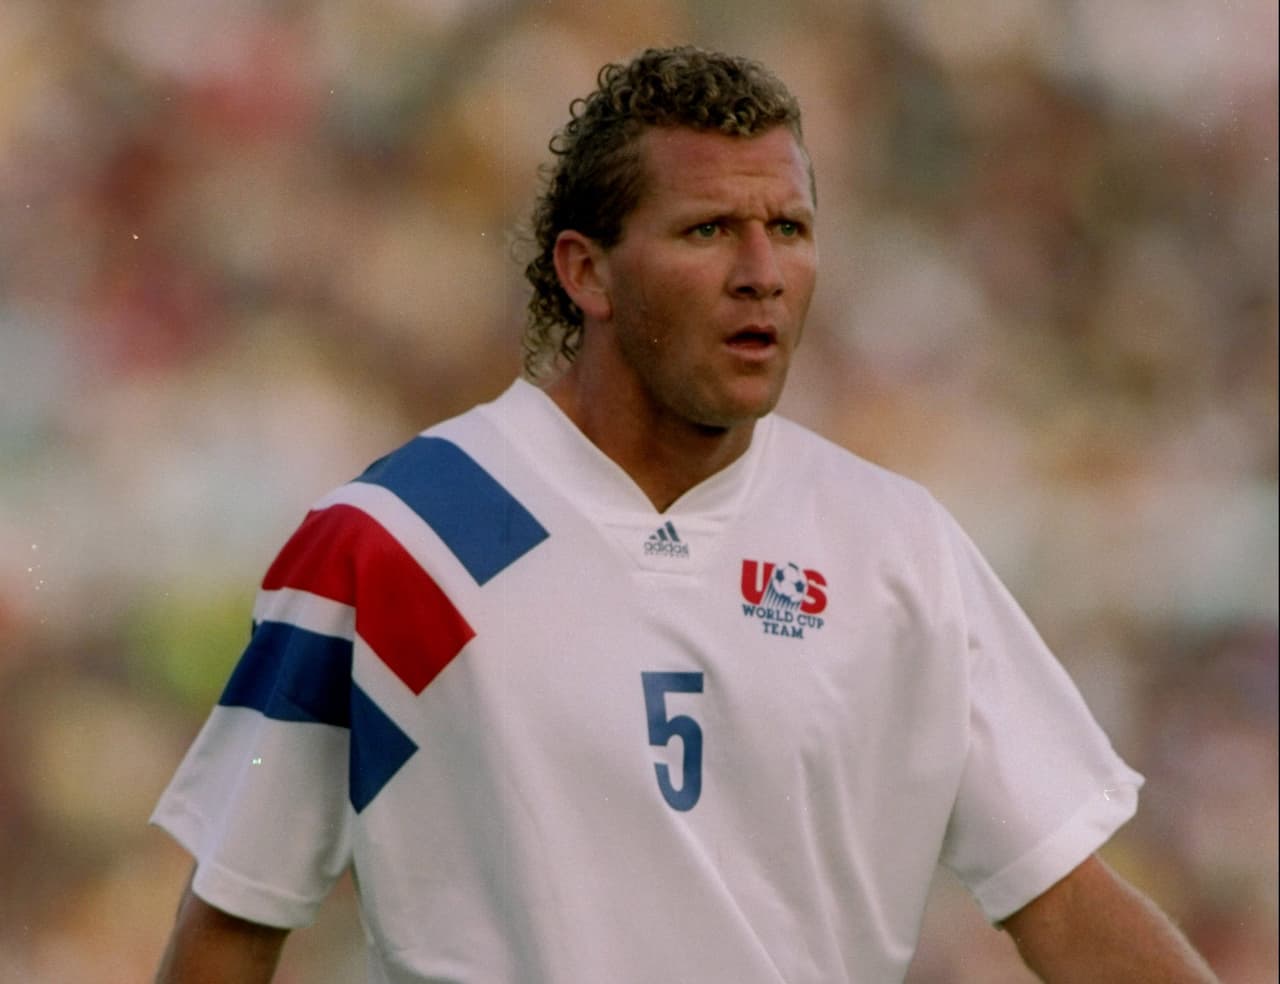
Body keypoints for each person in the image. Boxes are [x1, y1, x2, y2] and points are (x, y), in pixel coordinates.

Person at [151, 46, 1219, 984]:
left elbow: (1064, 905)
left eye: (788, 229)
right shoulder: (389, 544)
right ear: (587, 273)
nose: (761, 275)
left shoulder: (895, 548)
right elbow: (234, 920)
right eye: (708, 230)